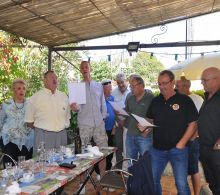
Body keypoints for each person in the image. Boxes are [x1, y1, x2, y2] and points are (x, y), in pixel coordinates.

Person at [141, 70, 198, 195]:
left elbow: (193, 124)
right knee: (153, 180)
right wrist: (144, 126)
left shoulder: (184, 100)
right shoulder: (156, 101)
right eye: (159, 84)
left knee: (181, 184)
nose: (162, 87)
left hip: (178, 150)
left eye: (165, 83)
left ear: (172, 82)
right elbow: (150, 119)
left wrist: (182, 143)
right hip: (157, 149)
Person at [70, 61, 108, 178]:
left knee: (103, 151)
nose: (84, 69)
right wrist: (75, 107)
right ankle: (83, 182)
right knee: (82, 152)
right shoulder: (77, 87)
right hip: (84, 124)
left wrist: (102, 117)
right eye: (82, 68)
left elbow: (103, 103)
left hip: (99, 123)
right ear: (80, 70)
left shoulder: (98, 85)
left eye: (86, 67)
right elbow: (77, 108)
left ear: (90, 68)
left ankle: (103, 178)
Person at [25, 70, 70, 151]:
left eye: (56, 77)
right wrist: (43, 130)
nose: (55, 79)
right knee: (43, 163)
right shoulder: (35, 98)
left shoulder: (64, 96)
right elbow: (29, 122)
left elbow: (67, 117)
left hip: (62, 136)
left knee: (63, 162)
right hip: (44, 137)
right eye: (52, 77)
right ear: (45, 80)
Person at [176, 78, 204, 195]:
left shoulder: (197, 99)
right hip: (181, 139)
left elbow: (199, 120)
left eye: (178, 86)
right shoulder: (179, 99)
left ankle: (196, 193)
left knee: (193, 170)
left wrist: (193, 137)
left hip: (192, 140)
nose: (176, 88)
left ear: (186, 87)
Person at [0, 79, 34, 165]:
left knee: (26, 167)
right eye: (19, 88)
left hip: (26, 140)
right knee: (10, 167)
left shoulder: (30, 104)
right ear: (13, 90)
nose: (22, 90)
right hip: (9, 140)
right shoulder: (6, 104)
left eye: (23, 88)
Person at [198, 67, 220, 195]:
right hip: (205, 147)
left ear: (217, 79)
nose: (202, 83)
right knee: (212, 182)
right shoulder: (207, 96)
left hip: (217, 150)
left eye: (204, 80)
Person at [125, 76, 154, 160]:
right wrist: (120, 112)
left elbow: (156, 117)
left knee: (146, 161)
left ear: (142, 85)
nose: (131, 89)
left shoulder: (151, 98)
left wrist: (149, 129)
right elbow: (127, 113)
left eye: (133, 86)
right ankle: (132, 174)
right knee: (130, 161)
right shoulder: (130, 98)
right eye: (130, 86)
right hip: (130, 135)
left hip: (144, 136)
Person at [112, 73, 130, 167]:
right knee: (119, 146)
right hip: (119, 123)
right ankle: (119, 168)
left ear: (126, 81)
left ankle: (129, 168)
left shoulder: (131, 91)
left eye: (122, 82)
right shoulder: (114, 92)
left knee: (129, 147)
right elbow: (112, 107)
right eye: (118, 83)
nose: (121, 85)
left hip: (129, 123)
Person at [101, 79, 115, 170]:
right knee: (102, 151)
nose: (110, 91)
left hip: (111, 129)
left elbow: (115, 112)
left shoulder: (112, 98)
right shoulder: (99, 100)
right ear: (103, 89)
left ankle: (108, 169)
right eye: (108, 89)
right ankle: (99, 172)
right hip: (101, 130)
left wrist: (114, 126)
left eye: (111, 89)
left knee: (110, 150)